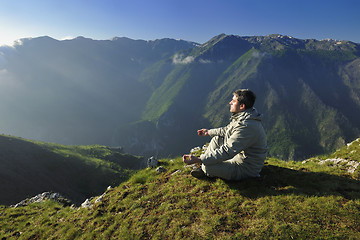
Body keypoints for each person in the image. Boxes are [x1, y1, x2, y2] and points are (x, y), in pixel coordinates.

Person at [183, 89, 268, 180]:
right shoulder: (244, 116)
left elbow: (228, 150)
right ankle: (206, 164)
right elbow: (227, 130)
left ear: (242, 106)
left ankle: (205, 167)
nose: (230, 103)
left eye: (233, 101)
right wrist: (208, 132)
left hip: (245, 168)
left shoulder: (246, 126)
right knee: (217, 139)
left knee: (207, 167)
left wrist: (200, 159)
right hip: (238, 157)